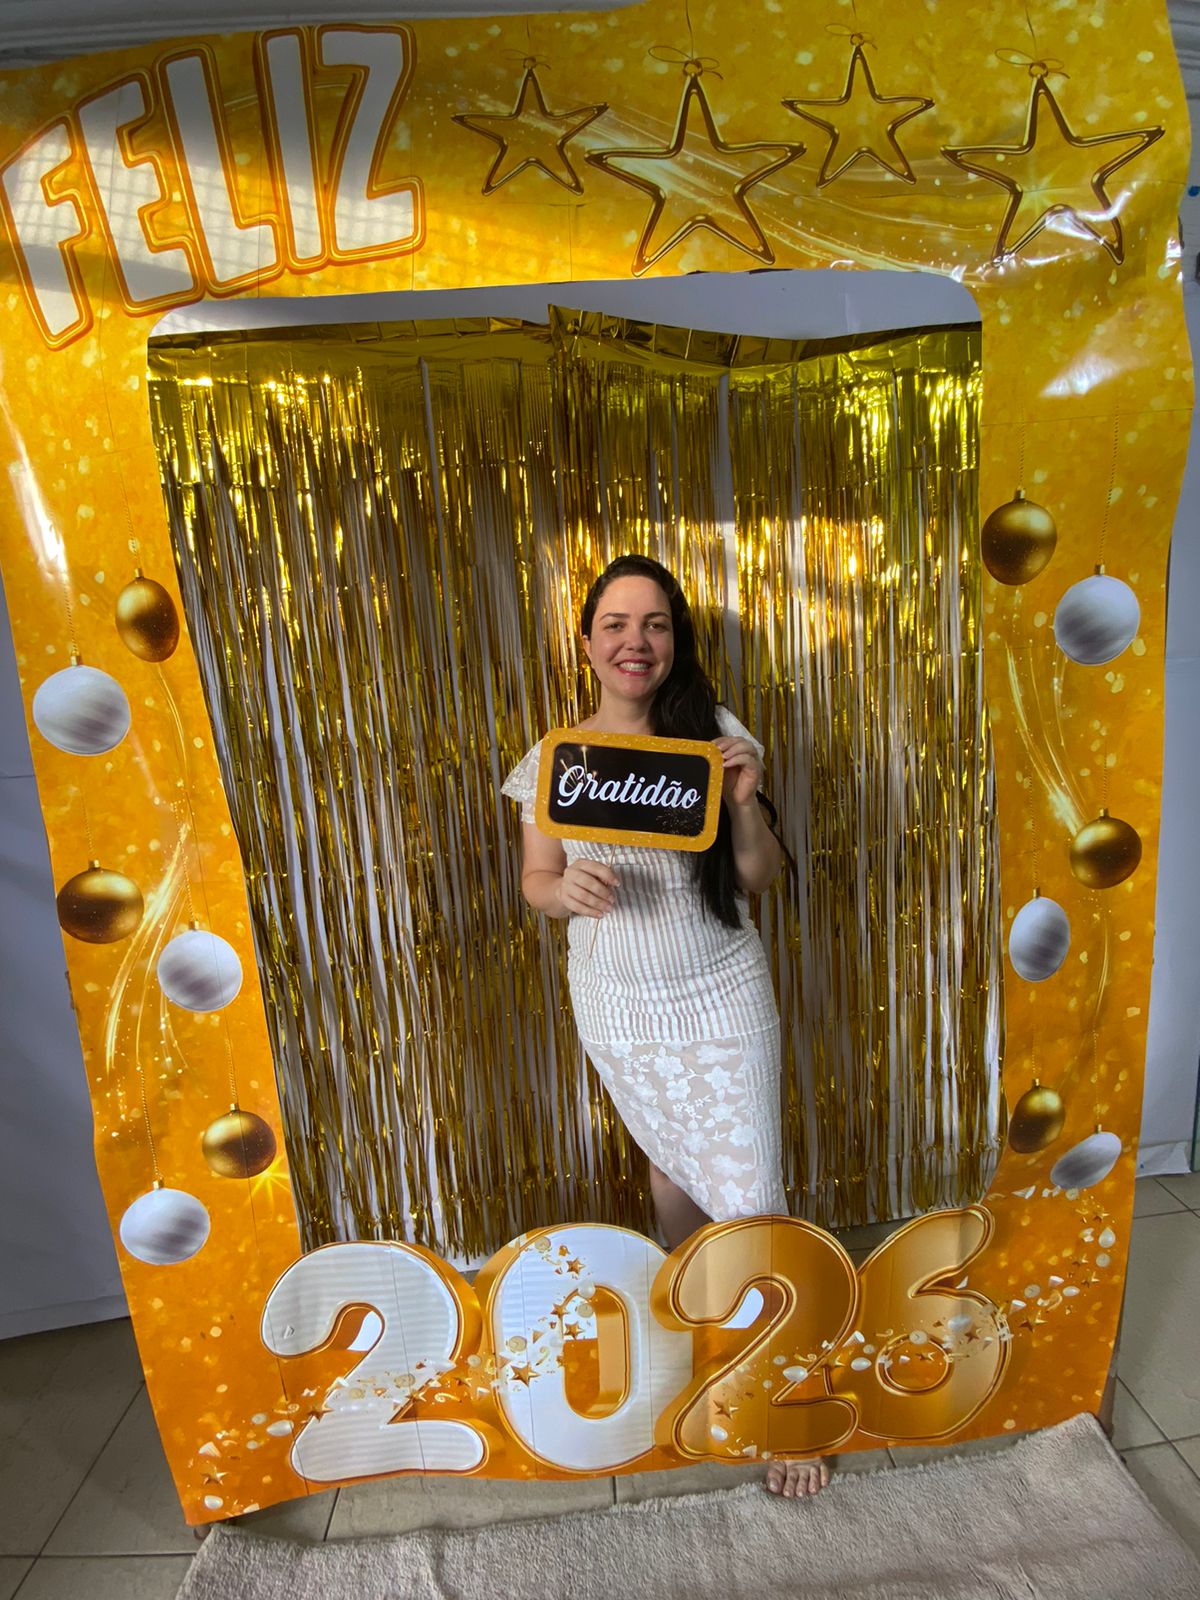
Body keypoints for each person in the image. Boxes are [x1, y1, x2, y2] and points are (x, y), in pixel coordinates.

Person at [502, 553, 828, 1497]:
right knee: (672, 1174)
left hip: (720, 989)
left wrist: (745, 806)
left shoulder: (713, 738)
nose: (635, 641)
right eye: (616, 624)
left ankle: (786, 1400)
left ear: (674, 640)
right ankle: (708, 1345)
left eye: (654, 624)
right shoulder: (556, 760)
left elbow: (760, 876)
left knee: (752, 1192)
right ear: (587, 643)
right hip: (619, 1004)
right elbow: (535, 881)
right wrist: (561, 889)